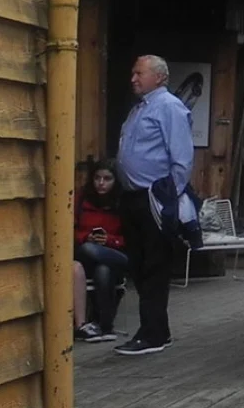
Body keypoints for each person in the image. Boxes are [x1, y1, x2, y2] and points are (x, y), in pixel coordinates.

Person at [115, 53, 194, 357]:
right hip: (133, 195)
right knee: (138, 264)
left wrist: (167, 197)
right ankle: (155, 329)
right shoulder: (140, 109)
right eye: (133, 73)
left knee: (154, 266)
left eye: (139, 73)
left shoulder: (170, 107)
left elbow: (182, 158)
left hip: (154, 196)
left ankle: (153, 334)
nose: (133, 79)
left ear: (159, 77)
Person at [73, 160, 128, 342]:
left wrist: (110, 240)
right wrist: (85, 237)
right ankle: (103, 326)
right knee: (90, 251)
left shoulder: (122, 202)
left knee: (104, 269)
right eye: (97, 178)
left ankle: (103, 325)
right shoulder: (80, 199)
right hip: (85, 254)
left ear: (115, 181)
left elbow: (131, 237)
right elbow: (67, 229)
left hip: (113, 254)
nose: (101, 183)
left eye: (107, 179)